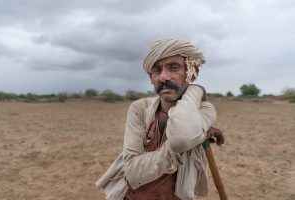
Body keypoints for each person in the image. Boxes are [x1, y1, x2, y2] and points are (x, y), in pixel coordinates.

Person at [96, 38, 224, 200]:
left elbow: (181, 138)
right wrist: (200, 135)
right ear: (151, 78)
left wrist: (196, 89)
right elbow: (133, 173)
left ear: (192, 72)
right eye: (157, 70)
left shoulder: (205, 110)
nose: (163, 77)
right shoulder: (140, 108)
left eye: (174, 67)